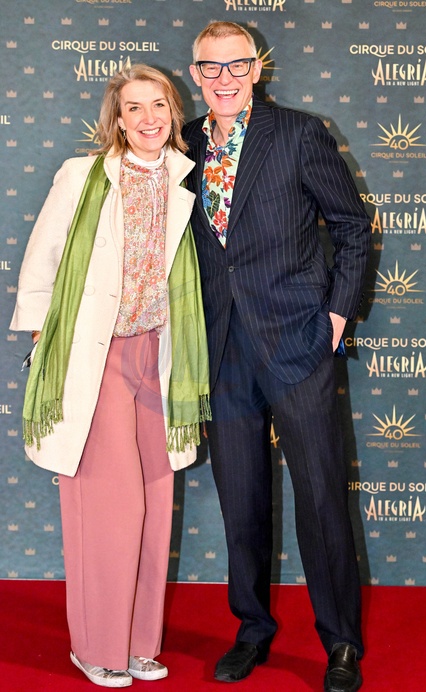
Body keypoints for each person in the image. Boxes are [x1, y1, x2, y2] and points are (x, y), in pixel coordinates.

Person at [183, 21, 371, 692]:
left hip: (298, 340)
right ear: (195, 73)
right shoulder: (180, 143)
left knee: (320, 497)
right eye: (211, 67)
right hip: (222, 347)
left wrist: (335, 317)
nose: (225, 78)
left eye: (237, 65)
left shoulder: (298, 134)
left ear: (257, 69)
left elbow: (351, 226)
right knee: (241, 501)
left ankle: (341, 641)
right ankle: (252, 629)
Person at [11, 64, 210, 688]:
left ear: (173, 113)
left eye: (159, 105)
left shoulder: (185, 178)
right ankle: (97, 646)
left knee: (155, 502)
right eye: (134, 108)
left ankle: (140, 643)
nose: (149, 118)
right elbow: (43, 259)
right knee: (109, 508)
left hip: (160, 355)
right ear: (117, 120)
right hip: (97, 358)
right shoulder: (83, 175)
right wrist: (47, 341)